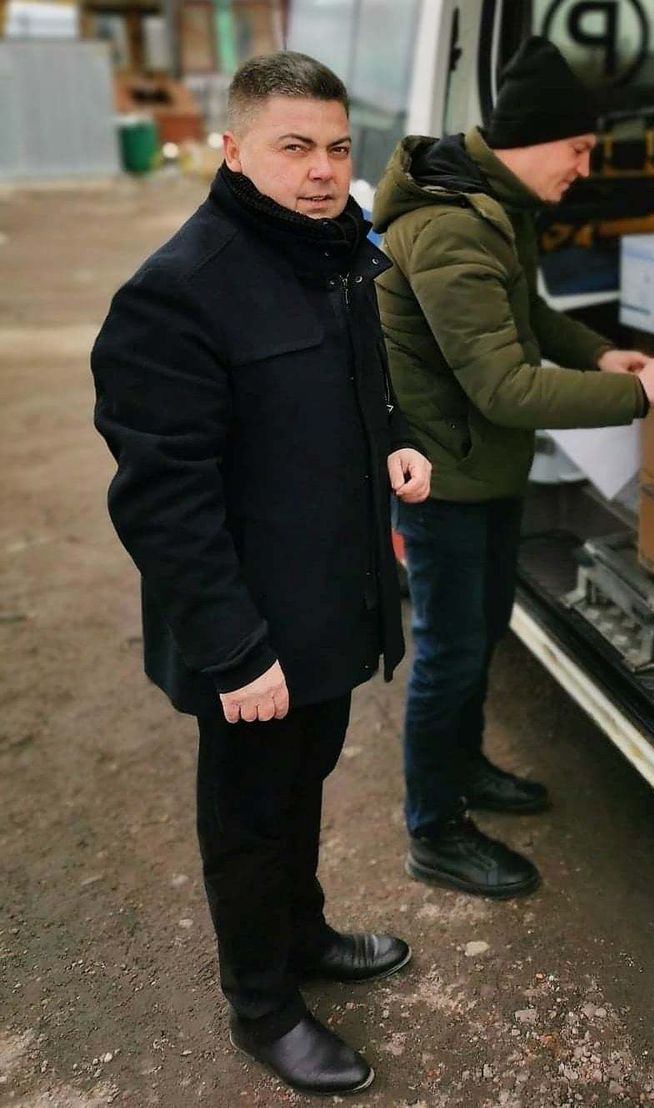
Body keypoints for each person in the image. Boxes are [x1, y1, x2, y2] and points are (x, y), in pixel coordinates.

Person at [90, 52, 431, 1097]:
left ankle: (306, 930)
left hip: (334, 599)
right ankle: (263, 1004)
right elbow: (164, 502)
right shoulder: (180, 293)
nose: (323, 168)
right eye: (295, 147)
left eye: (336, 147)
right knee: (249, 812)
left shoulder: (330, 254)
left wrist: (396, 437)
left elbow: (360, 378)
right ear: (234, 148)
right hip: (252, 631)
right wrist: (236, 652)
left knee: (306, 781)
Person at [372, 36, 654, 900]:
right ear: (532, 139)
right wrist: (640, 398)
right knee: (448, 650)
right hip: (444, 476)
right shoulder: (447, 228)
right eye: (580, 149)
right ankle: (433, 830)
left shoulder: (492, 205)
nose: (585, 169)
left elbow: (526, 313)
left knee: (479, 634)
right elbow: (504, 386)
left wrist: (603, 355)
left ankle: (465, 771)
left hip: (486, 469)